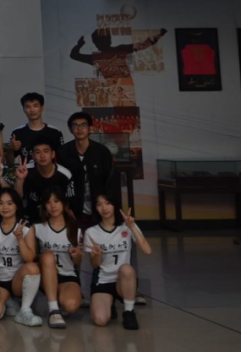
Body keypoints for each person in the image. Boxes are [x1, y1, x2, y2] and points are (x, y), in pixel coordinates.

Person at [86, 194, 151, 330]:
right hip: (102, 281)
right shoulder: (91, 232)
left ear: (115, 205)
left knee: (127, 269)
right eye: (99, 204)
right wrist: (97, 254)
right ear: (95, 208)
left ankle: (129, 312)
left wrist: (132, 226)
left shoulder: (127, 226)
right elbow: (95, 265)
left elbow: (147, 250)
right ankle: (109, 304)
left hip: (123, 281)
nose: (104, 208)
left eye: (108, 203)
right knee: (100, 320)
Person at [0, 188, 42, 327]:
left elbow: (29, 258)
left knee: (32, 268)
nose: (5, 207)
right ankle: (9, 301)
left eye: (9, 203)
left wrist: (20, 239)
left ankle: (24, 310)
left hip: (18, 280)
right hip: (0, 280)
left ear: (16, 206)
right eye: (1, 203)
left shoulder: (26, 228)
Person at [34, 187, 83, 329]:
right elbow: (31, 257)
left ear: (64, 203)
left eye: (56, 201)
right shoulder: (38, 228)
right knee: (48, 257)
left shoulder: (75, 230)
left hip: (67, 275)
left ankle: (60, 299)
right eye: (48, 202)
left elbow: (77, 264)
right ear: (44, 206)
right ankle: (54, 310)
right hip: (45, 276)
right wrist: (43, 256)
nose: (53, 206)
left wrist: (76, 255)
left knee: (71, 306)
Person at [59, 112, 116, 230]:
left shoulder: (102, 152)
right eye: (75, 125)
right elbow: (59, 183)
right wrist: (65, 207)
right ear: (70, 129)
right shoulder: (63, 152)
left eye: (83, 125)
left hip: (99, 209)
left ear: (90, 128)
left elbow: (109, 183)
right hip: (73, 209)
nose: (79, 129)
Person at [15, 140, 78, 223]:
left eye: (46, 151)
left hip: (57, 219)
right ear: (33, 156)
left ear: (53, 154)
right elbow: (16, 198)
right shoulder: (25, 170)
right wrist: (20, 179)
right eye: (38, 152)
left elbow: (68, 206)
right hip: (31, 219)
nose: (42, 156)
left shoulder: (65, 174)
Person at [8, 93, 65, 168]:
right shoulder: (17, 132)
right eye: (28, 107)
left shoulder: (55, 132)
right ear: (24, 110)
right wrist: (11, 150)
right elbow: (10, 164)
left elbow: (62, 159)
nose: (32, 110)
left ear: (42, 108)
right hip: (26, 173)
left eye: (35, 106)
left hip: (49, 173)